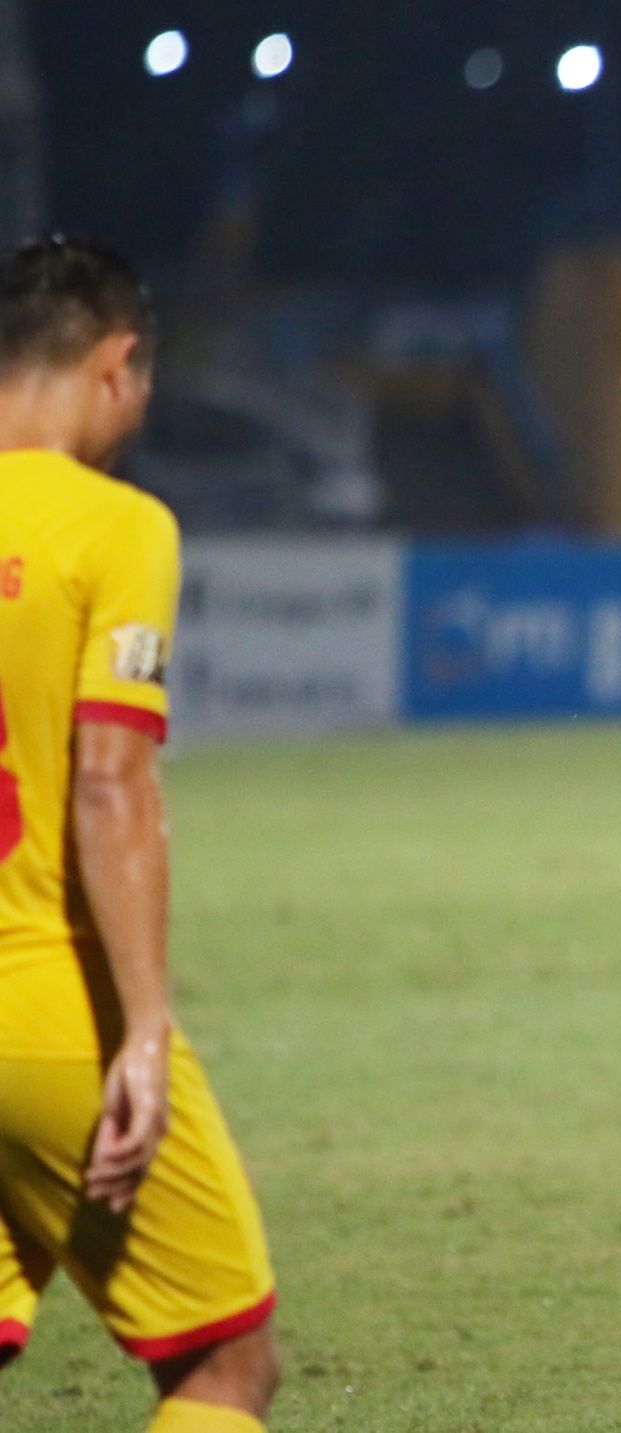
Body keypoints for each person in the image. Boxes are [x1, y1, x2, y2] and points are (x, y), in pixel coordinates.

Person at [0, 236, 282, 1432]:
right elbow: (109, 782)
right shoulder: (115, 526)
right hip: (42, 1004)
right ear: (116, 364)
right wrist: (147, 1030)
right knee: (226, 1362)